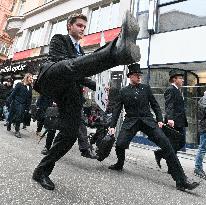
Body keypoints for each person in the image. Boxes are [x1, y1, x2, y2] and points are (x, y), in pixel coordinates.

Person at [32, 11, 141, 190]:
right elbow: (65, 65)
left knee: (69, 135)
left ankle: (41, 171)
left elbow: (79, 73)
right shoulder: (59, 39)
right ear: (70, 26)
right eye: (79, 25)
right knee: (71, 65)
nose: (82, 29)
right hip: (53, 78)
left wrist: (97, 87)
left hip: (71, 94)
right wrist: (84, 66)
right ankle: (117, 49)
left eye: (84, 26)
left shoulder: (81, 51)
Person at [108, 63, 199, 191]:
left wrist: (160, 120)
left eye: (140, 75)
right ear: (130, 76)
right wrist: (112, 126)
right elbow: (117, 110)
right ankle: (119, 163)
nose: (139, 77)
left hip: (148, 122)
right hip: (131, 121)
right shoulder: (123, 91)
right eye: (136, 75)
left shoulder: (146, 88)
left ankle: (181, 180)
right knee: (120, 144)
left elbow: (155, 105)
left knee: (167, 145)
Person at [154, 69, 188, 169]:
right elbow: (169, 105)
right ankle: (170, 164)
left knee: (177, 144)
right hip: (173, 122)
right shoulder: (170, 90)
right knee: (178, 143)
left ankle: (162, 155)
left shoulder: (177, 90)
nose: (182, 80)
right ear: (174, 79)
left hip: (179, 122)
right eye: (180, 78)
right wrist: (170, 119)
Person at [7, 73, 33, 138]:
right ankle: (16, 130)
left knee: (20, 116)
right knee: (14, 115)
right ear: (26, 78)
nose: (32, 79)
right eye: (31, 78)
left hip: (23, 104)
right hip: (16, 102)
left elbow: (29, 98)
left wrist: (28, 107)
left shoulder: (30, 87)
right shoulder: (19, 84)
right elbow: (13, 93)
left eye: (32, 78)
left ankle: (12, 125)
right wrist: (8, 101)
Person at [194, 91, 206, 179]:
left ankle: (198, 167)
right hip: (205, 127)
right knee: (202, 148)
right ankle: (198, 168)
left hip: (204, 126)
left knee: (202, 148)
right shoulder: (204, 99)